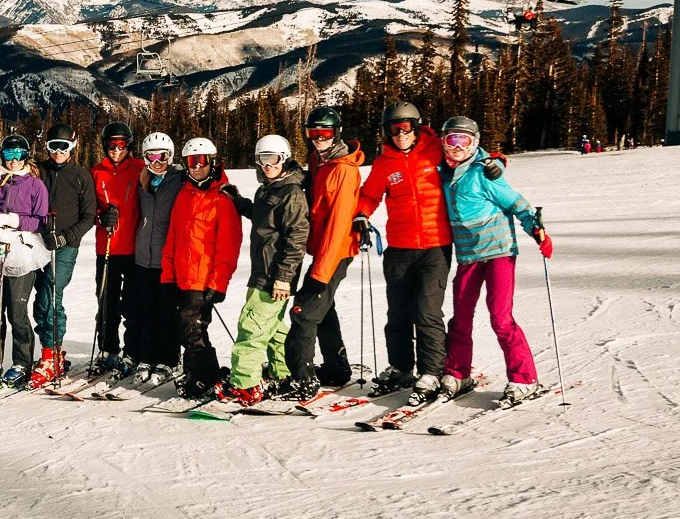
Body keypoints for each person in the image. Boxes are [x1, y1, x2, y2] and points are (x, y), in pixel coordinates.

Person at [353, 102, 505, 404]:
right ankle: (400, 368)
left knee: (427, 311)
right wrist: (361, 214)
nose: (400, 134)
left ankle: (431, 371)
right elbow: (369, 194)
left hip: (435, 246)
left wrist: (497, 161)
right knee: (397, 314)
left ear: (417, 126)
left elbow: (472, 153)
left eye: (406, 127)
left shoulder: (436, 149)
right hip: (398, 247)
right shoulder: (385, 163)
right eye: (394, 129)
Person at [438, 116, 553, 408]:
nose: (456, 146)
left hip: (499, 252)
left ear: (474, 143)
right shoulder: (442, 173)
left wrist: (537, 231)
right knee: (460, 318)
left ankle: (524, 379)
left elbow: (517, 203)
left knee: (500, 318)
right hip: (468, 256)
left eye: (463, 140)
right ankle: (458, 373)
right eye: (451, 139)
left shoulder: (484, 173)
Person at [216, 135, 309, 406]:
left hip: (273, 275)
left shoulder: (291, 193)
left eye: (273, 159)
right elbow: (261, 216)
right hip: (265, 269)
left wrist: (283, 278)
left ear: (285, 158)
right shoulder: (269, 189)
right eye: (262, 159)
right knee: (274, 328)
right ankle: (284, 373)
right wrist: (238, 200)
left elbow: (296, 238)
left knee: (251, 328)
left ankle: (244, 384)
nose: (267, 165)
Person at [281, 106, 363, 401]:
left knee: (304, 310)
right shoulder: (319, 160)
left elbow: (339, 225)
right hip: (321, 248)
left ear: (336, 133)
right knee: (323, 307)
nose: (318, 139)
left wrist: (320, 273)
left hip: (336, 249)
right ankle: (336, 368)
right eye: (312, 133)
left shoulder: (343, 169)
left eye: (324, 133)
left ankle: (300, 378)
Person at [160, 137, 243, 398]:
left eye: (202, 161)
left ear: (213, 162)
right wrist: (167, 274)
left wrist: (219, 283)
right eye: (191, 162)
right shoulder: (184, 193)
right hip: (182, 275)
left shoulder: (223, 196)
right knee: (187, 327)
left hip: (204, 277)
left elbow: (229, 244)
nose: (197, 167)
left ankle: (205, 377)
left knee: (191, 327)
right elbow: (173, 236)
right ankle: (198, 373)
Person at [0, 134, 51, 386]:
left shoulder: (35, 185)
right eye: (8, 154)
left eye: (18, 154)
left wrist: (16, 221)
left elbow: (41, 220)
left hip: (23, 248)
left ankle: (21, 362)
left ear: (26, 156)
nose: (13, 160)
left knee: (17, 309)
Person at [29, 124, 97, 388]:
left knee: (51, 296)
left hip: (66, 246)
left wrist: (66, 237)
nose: (58, 152)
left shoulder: (81, 176)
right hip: (37, 244)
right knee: (39, 300)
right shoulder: (39, 171)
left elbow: (89, 216)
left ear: (73, 146)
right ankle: (52, 351)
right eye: (53, 146)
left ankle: (51, 353)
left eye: (64, 147)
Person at [90, 121, 146, 375]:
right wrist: (100, 217)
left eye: (121, 145)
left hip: (135, 250)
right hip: (107, 248)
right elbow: (87, 208)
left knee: (133, 304)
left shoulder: (140, 169)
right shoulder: (96, 171)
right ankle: (108, 349)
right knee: (106, 302)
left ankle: (133, 351)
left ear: (129, 145)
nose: (116, 150)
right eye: (111, 145)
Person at [131, 131, 186, 384]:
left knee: (167, 312)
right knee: (145, 311)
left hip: (168, 258)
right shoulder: (143, 182)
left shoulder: (179, 179)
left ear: (170, 156)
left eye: (161, 156)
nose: (156, 162)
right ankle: (146, 357)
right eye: (151, 157)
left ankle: (170, 359)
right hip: (143, 258)